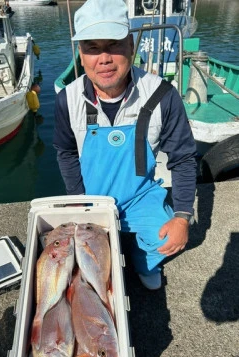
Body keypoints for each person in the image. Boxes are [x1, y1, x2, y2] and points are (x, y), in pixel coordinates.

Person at [53, 0, 197, 290]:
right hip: (91, 199)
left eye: (114, 45)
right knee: (83, 266)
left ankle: (141, 258)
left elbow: (183, 158)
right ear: (81, 56)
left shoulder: (162, 95)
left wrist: (183, 216)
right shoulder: (66, 100)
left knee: (169, 238)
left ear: (131, 46)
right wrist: (79, 202)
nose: (103, 58)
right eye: (92, 48)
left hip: (141, 195)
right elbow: (66, 153)